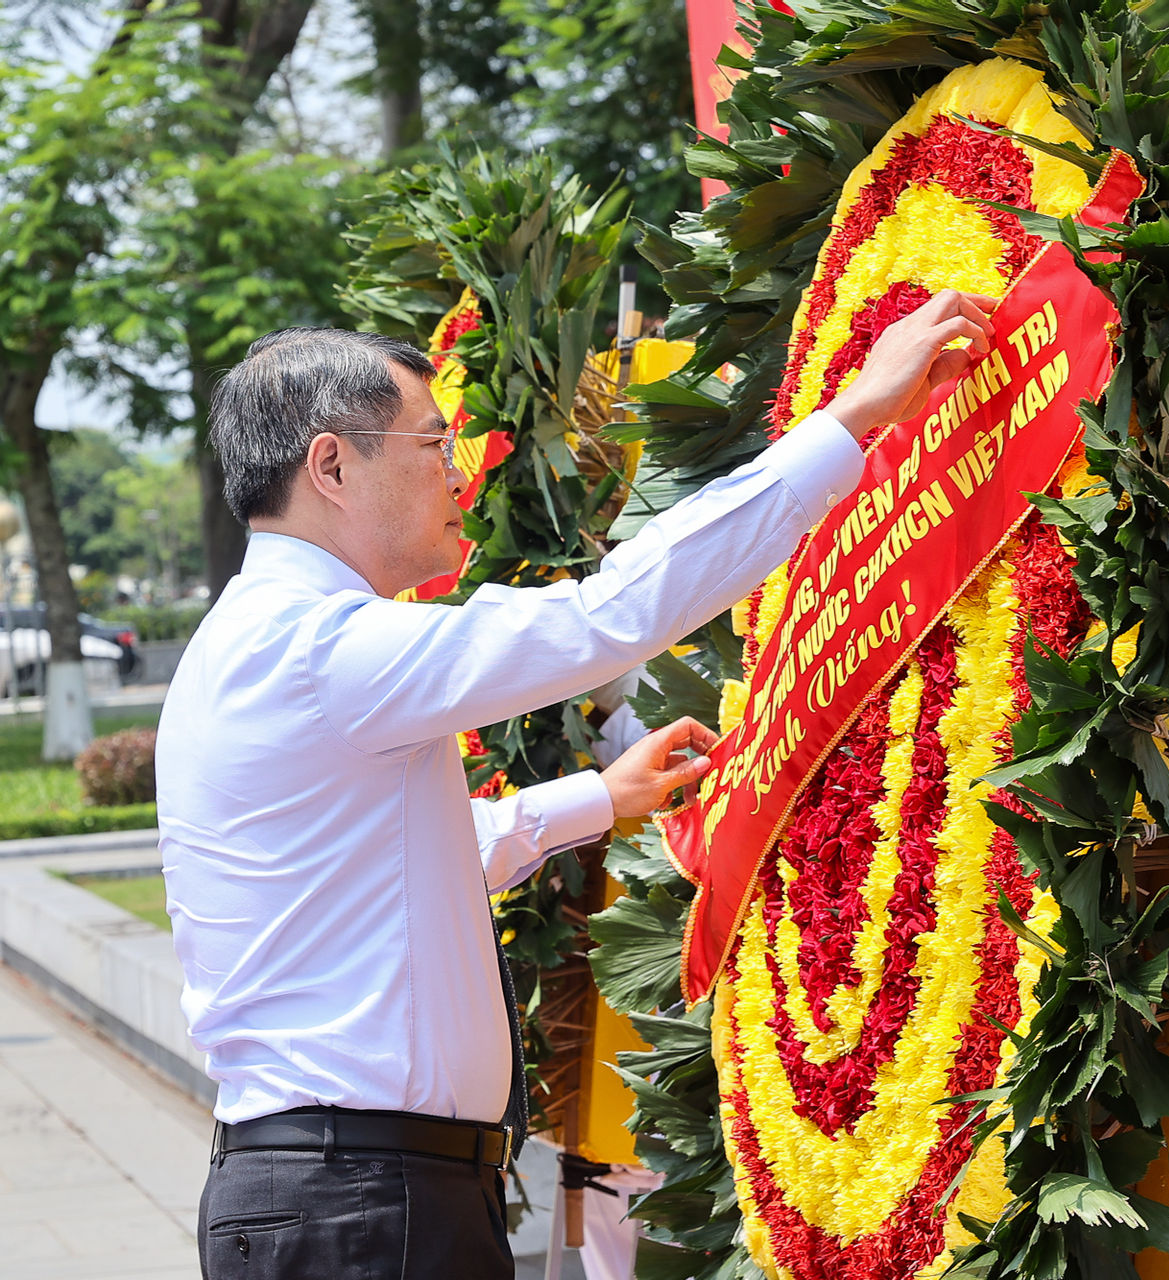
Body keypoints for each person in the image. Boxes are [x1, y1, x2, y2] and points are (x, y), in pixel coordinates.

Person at [158, 290, 997, 1280]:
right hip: (360, 1201)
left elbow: (406, 862)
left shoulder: (269, 640)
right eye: (432, 442)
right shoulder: (316, 647)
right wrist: (856, 413)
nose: (457, 471)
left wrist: (603, 796)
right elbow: (613, 613)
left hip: (359, 1190)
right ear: (333, 464)